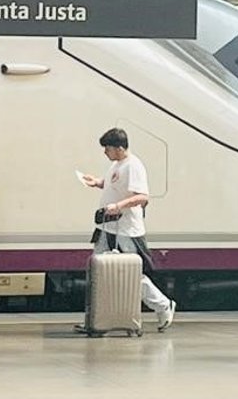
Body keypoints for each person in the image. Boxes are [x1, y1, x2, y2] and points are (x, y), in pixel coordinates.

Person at [81, 128, 176, 332]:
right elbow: (114, 185)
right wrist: (97, 182)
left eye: (107, 148)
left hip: (126, 230)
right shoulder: (117, 165)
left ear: (119, 148)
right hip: (107, 227)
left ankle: (163, 305)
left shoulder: (134, 166)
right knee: (98, 271)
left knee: (129, 274)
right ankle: (95, 320)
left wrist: (118, 206)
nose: (105, 152)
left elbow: (142, 197)